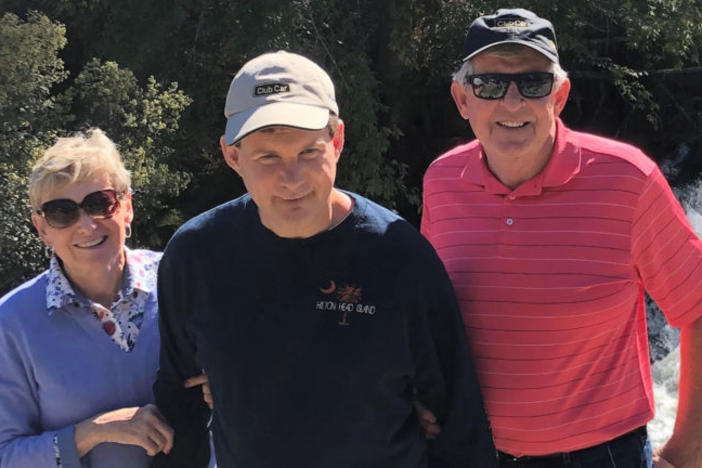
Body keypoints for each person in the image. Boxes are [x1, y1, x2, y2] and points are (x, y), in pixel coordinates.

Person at [153, 50, 496, 468]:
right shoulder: (195, 255)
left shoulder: (399, 254)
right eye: (268, 157)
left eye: (309, 152)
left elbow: (457, 417)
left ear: (337, 142)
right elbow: (180, 399)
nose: (292, 178)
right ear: (232, 156)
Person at [420, 8, 702, 468]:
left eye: (532, 83)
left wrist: (688, 451)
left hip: (600, 456)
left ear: (560, 94)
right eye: (490, 85)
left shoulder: (628, 180)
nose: (512, 102)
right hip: (471, 449)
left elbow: (698, 304)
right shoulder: (441, 181)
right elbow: (432, 313)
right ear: (462, 99)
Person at [0, 129, 174, 467]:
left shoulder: (181, 283)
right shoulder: (12, 324)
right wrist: (94, 431)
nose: (86, 225)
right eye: (61, 213)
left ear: (126, 208)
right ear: (41, 229)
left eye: (99, 203)